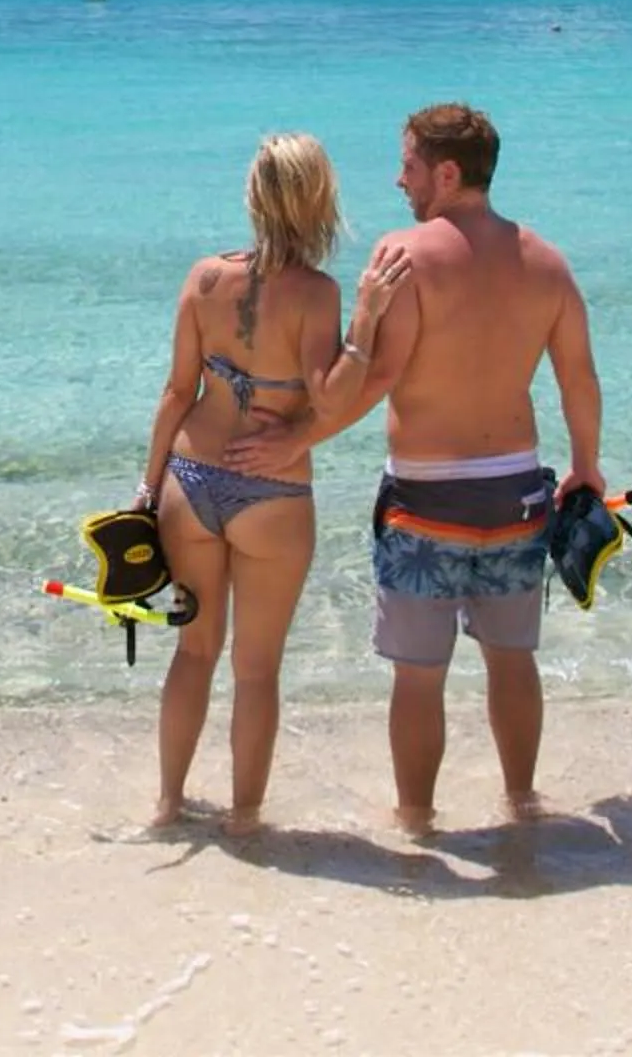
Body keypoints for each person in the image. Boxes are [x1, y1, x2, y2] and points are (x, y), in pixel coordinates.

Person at [227, 102, 604, 833]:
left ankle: (417, 821)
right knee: (513, 660)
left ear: (448, 173)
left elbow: (373, 379)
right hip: (517, 494)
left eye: (409, 165)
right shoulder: (547, 263)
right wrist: (586, 466)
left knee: (419, 678)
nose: (399, 180)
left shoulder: (404, 256)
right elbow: (579, 379)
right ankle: (522, 805)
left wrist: (297, 440)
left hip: (426, 501)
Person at [134, 132, 401, 834]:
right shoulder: (318, 293)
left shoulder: (203, 279)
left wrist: (146, 491)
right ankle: (245, 820)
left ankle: (168, 804)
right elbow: (331, 397)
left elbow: (176, 393)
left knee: (193, 652)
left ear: (254, 196)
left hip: (190, 480)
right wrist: (367, 319)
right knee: (255, 671)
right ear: (318, 201)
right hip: (272, 492)